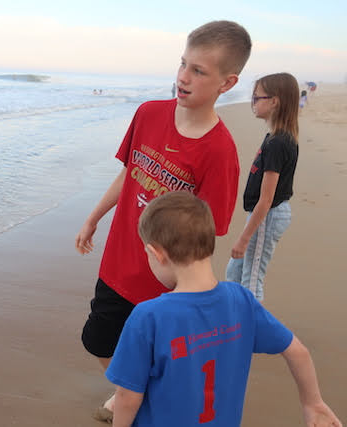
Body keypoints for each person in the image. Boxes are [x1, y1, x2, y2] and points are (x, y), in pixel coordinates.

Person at [75, 20, 250, 421]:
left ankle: (134, 399)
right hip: (119, 258)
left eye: (199, 71)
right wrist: (94, 217)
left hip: (164, 281)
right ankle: (131, 393)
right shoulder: (148, 113)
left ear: (227, 83)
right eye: (183, 64)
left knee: (151, 350)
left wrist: (191, 291)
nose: (183, 77)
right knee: (98, 339)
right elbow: (128, 173)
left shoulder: (219, 151)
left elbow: (207, 233)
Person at [105, 191, 342, 427]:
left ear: (156, 254)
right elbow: (297, 351)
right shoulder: (242, 300)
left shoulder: (148, 317)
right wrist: (312, 402)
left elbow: (127, 397)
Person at [226, 73, 300, 301]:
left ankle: (250, 321)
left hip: (268, 215)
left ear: (274, 101)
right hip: (263, 215)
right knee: (234, 272)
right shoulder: (274, 138)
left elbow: (266, 199)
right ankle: (236, 314)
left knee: (251, 279)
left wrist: (244, 238)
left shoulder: (278, 143)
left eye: (257, 98)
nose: (253, 102)